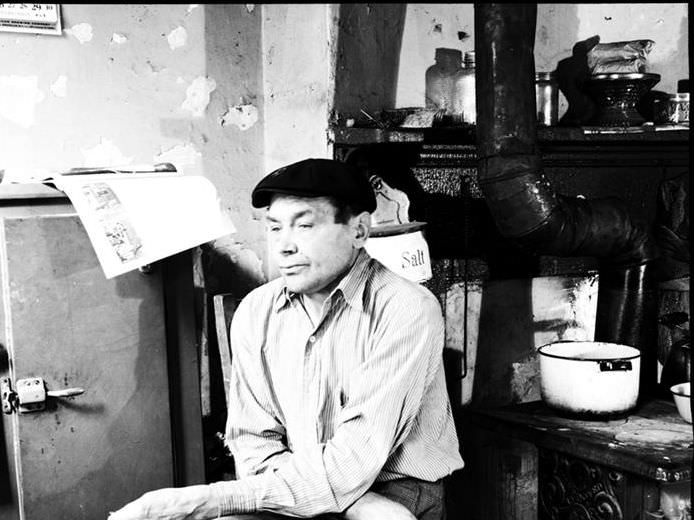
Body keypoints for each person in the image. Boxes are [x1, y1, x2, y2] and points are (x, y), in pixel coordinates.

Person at [109, 158, 464, 520]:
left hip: (394, 490)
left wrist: (204, 500)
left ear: (358, 231)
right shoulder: (257, 310)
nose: (284, 246)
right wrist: (350, 501)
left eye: (304, 226)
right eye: (275, 228)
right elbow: (252, 441)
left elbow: (354, 462)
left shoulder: (407, 308)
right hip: (295, 479)